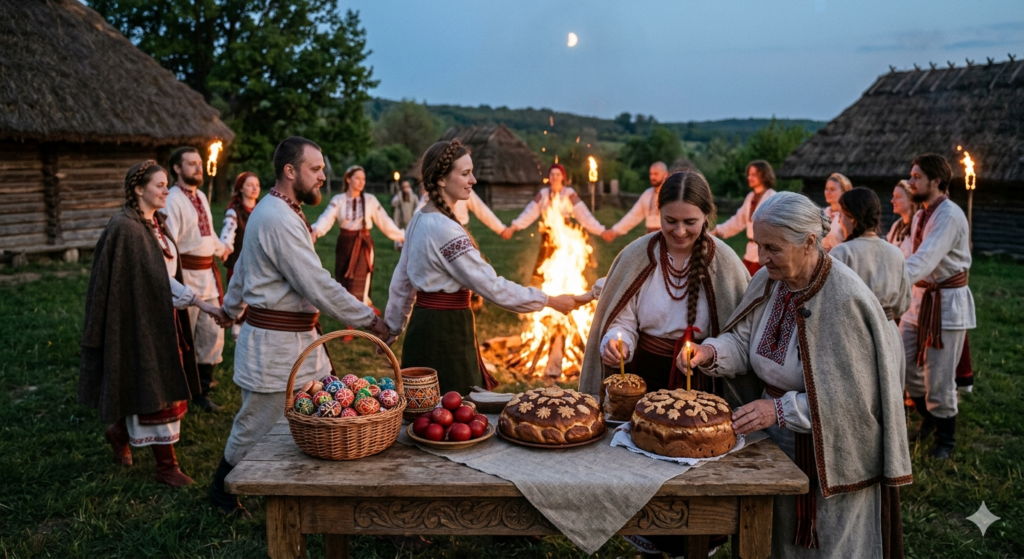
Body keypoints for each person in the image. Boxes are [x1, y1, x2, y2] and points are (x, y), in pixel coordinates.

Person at [685, 192, 912, 559]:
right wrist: (711, 352)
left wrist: (778, 410)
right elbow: (746, 343)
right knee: (775, 537)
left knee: (826, 543)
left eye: (773, 247)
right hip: (772, 444)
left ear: (809, 242)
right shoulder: (770, 282)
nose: (762, 258)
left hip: (831, 454)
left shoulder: (844, 298)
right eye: (760, 245)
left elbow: (853, 400)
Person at [209, 137, 388, 515]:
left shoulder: (278, 211)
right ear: (290, 171)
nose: (324, 176)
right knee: (256, 422)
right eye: (316, 169)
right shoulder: (275, 217)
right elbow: (316, 282)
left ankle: (313, 491)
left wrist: (229, 307)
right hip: (275, 346)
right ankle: (221, 491)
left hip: (300, 341)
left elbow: (243, 266)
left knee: (320, 412)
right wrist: (370, 320)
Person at [384, 140, 579, 395]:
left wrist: (393, 327)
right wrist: (550, 300)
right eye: (465, 173)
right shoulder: (445, 229)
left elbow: (402, 282)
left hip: (422, 328)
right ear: (441, 179)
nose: (473, 180)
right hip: (447, 333)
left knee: (425, 413)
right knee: (452, 410)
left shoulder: (420, 218)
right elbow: (492, 287)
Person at [79, 160, 221, 487]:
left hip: (163, 315)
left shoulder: (158, 222)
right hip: (137, 320)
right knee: (153, 387)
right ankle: (166, 467)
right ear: (138, 189)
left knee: (160, 382)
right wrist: (198, 302)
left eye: (167, 184)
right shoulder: (125, 228)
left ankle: (119, 432)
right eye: (159, 185)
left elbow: (165, 275)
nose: (166, 190)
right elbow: (151, 283)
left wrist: (200, 303)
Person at [579, 170, 753, 399]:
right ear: (658, 213)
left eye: (690, 222)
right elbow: (623, 322)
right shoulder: (636, 256)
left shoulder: (726, 263)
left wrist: (711, 351)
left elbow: (743, 339)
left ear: (706, 216)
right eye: (670, 221)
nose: (679, 231)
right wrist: (617, 343)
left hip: (704, 389)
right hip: (642, 385)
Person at [900, 154, 975, 459]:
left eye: (917, 177)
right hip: (918, 302)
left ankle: (946, 439)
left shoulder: (949, 215)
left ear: (936, 182)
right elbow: (907, 255)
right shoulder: (920, 216)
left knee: (940, 378)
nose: (911, 181)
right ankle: (930, 420)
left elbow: (924, 259)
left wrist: (888, 284)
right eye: (911, 176)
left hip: (946, 306)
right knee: (905, 367)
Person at [161, 147, 228, 413]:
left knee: (212, 333)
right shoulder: (172, 199)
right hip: (186, 276)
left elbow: (208, 233)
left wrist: (222, 248)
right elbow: (169, 242)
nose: (199, 168)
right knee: (183, 334)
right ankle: (181, 389)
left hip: (208, 275)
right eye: (191, 164)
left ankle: (203, 388)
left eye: (200, 164)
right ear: (177, 168)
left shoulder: (201, 194)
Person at [830, 187, 911, 386]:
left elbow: (830, 303)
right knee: (887, 399)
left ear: (853, 217)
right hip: (888, 332)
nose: (839, 220)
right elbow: (903, 303)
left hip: (855, 336)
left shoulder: (841, 254)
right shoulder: (895, 253)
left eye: (842, 214)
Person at [310, 165, 405, 308]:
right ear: (348, 179)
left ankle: (361, 309)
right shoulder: (339, 199)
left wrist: (401, 236)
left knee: (361, 278)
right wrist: (316, 230)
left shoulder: (370, 200)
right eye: (358, 178)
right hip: (345, 243)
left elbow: (384, 221)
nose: (362, 182)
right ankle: (348, 309)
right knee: (344, 277)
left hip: (363, 244)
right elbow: (327, 218)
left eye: (364, 179)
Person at [503, 163, 611, 285]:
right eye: (552, 174)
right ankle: (539, 293)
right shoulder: (543, 194)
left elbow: (583, 214)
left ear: (562, 177)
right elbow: (529, 212)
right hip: (548, 238)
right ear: (549, 177)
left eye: (558, 174)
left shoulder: (569, 194)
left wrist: (600, 230)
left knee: (567, 267)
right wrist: (514, 227)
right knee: (541, 268)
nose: (555, 177)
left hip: (566, 237)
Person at [710, 160, 778, 275]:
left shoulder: (773, 197)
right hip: (750, 252)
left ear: (763, 175)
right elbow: (738, 220)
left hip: (765, 253)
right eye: (749, 174)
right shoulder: (750, 197)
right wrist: (717, 231)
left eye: (754, 175)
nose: (749, 177)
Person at [602, 161, 670, 241]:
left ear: (665, 174)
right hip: (651, 237)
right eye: (651, 174)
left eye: (656, 174)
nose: (652, 177)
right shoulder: (647, 194)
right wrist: (615, 230)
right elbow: (633, 215)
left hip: (667, 238)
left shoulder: (672, 194)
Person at [415, 182, 508, 236]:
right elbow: (418, 215)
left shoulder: (465, 191)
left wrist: (500, 229)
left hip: (460, 231)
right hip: (440, 233)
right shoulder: (433, 192)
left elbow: (481, 210)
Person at [220, 172, 261, 282]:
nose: (254, 188)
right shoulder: (234, 211)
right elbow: (229, 230)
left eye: (257, 185)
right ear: (241, 188)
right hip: (238, 267)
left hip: (260, 267)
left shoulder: (263, 210)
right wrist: (225, 247)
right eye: (249, 185)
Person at [821, 172, 853, 251]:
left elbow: (852, 242)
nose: (827, 192)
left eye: (832, 189)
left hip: (841, 259)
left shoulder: (848, 215)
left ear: (844, 192)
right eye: (826, 189)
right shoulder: (823, 213)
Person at [886, 180, 917, 258]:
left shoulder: (918, 226)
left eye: (897, 197)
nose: (892, 200)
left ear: (911, 200)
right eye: (893, 196)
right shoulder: (896, 226)